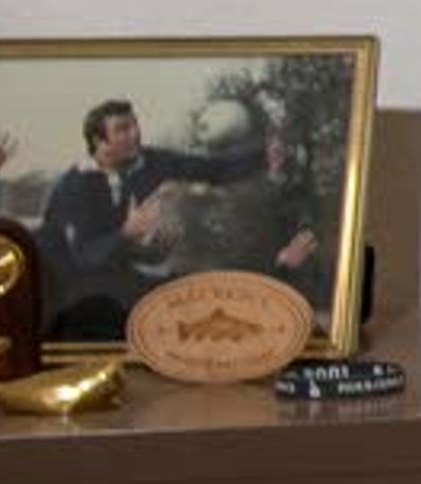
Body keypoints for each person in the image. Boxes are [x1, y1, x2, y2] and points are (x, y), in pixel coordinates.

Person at [28, 99, 273, 338]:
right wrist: (127, 234)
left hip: (121, 278)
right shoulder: (74, 186)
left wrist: (263, 157)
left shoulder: (150, 162)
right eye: (122, 129)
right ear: (98, 140)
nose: (134, 134)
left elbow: (211, 169)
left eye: (134, 125)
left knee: (204, 300)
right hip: (74, 291)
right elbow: (85, 256)